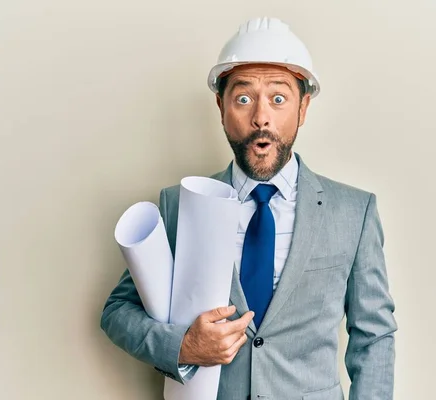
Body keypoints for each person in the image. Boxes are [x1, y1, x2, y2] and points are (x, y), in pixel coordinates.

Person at [101, 16, 397, 400]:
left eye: (278, 98)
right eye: (243, 98)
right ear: (220, 106)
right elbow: (117, 311)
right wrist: (182, 347)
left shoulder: (354, 213)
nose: (261, 117)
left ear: (303, 109)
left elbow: (374, 336)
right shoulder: (180, 205)